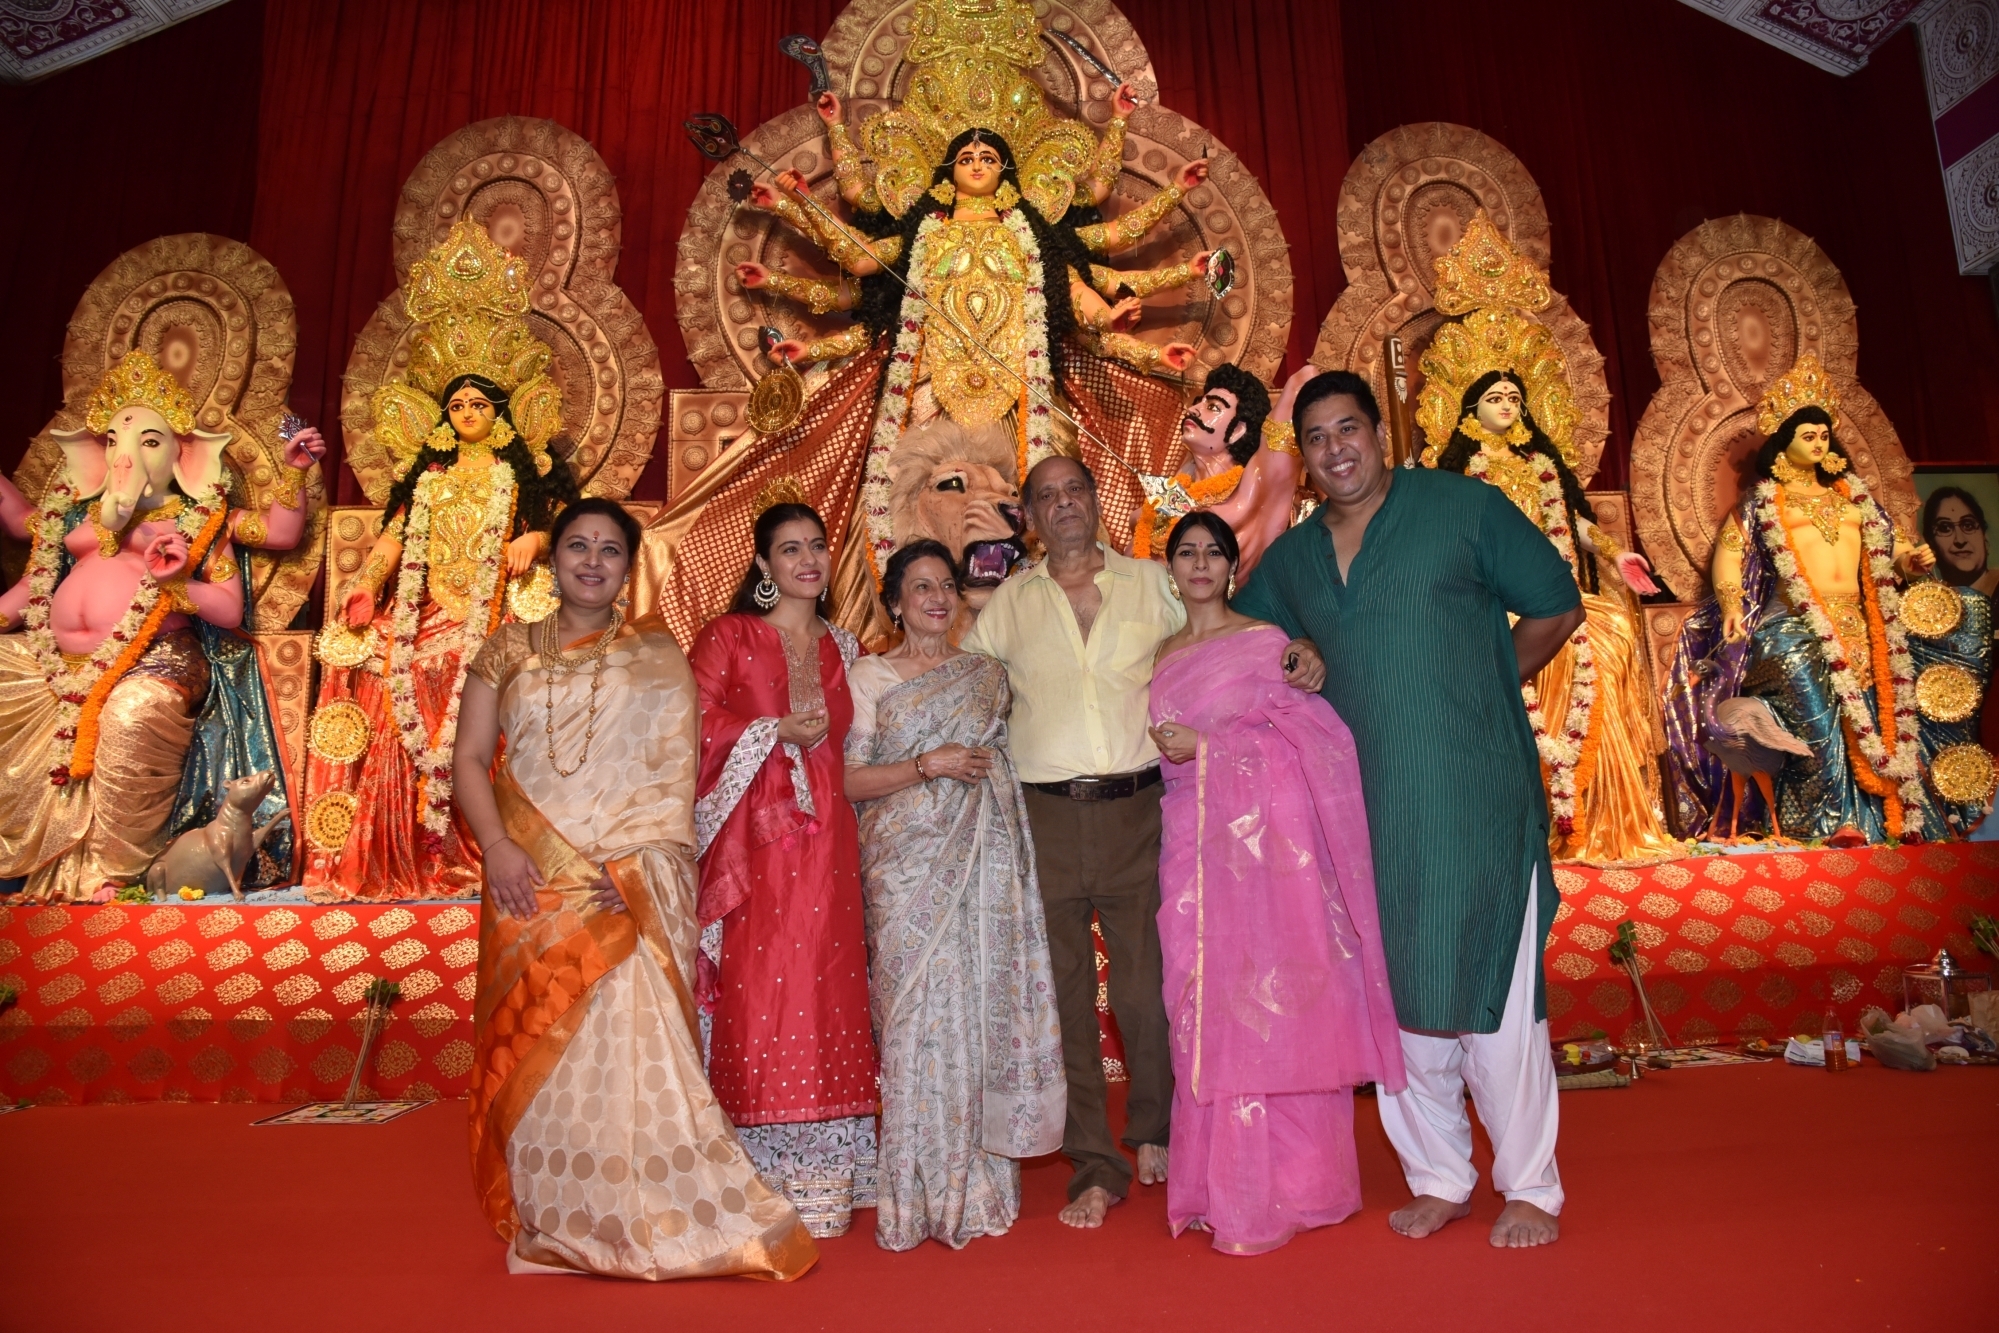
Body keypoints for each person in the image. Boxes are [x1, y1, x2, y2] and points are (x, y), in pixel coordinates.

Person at [1232, 371, 1582, 1248]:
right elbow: (1242, 642)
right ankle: (1437, 1173)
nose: (1334, 449)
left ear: (1378, 433)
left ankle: (1529, 1183)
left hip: (1470, 796)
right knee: (1392, 996)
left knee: (1491, 996)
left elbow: (1555, 604)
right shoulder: (1297, 558)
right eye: (1315, 437)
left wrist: (1486, 675)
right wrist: (1295, 657)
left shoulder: (1460, 507)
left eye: (1348, 429)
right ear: (1301, 456)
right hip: (1359, 818)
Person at [454, 498, 815, 1280]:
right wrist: (499, 847)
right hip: (531, 884)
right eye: (577, 546)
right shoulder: (504, 648)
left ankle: (652, 1212)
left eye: (609, 550)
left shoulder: (657, 654)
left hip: (626, 887)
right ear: (552, 562)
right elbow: (471, 758)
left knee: (630, 1050)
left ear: (627, 565)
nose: (591, 560)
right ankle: (555, 1217)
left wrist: (644, 871)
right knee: (543, 1054)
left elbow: (669, 777)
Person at [961, 454, 1321, 1229]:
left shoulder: (1151, 583)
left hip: (1144, 809)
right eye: (1046, 496)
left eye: (1075, 490)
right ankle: (1094, 1163)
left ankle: (1153, 1129)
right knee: (1063, 999)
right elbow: (967, 691)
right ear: (1027, 515)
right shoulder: (1008, 606)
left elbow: (1224, 632)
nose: (1063, 505)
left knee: (1149, 986)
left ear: (1097, 501)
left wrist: (1299, 651)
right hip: (1044, 817)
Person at [1146, 511, 1405, 1255]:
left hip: (1258, 850)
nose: (1199, 563)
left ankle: (1289, 1182)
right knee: (1196, 1002)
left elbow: (1309, 740)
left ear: (1231, 566)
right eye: (1186, 552)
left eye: (1212, 552)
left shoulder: (1263, 644)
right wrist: (1194, 757)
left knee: (1271, 1000)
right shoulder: (1162, 650)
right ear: (1171, 568)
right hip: (1187, 845)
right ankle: (1211, 1181)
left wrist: (1210, 748)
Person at [303, 221, 577, 900]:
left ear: (502, 411)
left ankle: (487, 848)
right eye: (455, 404)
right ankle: (412, 853)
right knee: (387, 677)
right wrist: (367, 585)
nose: (465, 413)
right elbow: (394, 539)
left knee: (475, 670)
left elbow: (555, 526)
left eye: (477, 403)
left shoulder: (519, 477)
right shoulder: (426, 476)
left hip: (493, 608)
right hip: (424, 609)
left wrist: (532, 541)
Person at [1415, 213, 1676, 863]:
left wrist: (1613, 551)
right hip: (1488, 606)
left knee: (1610, 632)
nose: (1506, 404)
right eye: (1493, 397)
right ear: (1466, 407)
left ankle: (1605, 816)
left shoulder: (1541, 467)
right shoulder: (1454, 478)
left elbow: (1575, 522)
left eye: (1513, 395)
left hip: (1557, 598)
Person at [844, 539, 1065, 1250]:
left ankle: (976, 1180)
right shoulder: (870, 677)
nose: (935, 598)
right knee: (912, 1025)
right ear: (895, 602)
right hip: (903, 869)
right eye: (919, 587)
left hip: (979, 869)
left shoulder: (985, 676)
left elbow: (1007, 767)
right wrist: (923, 764)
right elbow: (847, 781)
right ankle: (912, 1190)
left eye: (945, 585)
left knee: (973, 1014)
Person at [688, 489, 879, 1239]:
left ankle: (829, 1169)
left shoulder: (846, 648)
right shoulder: (729, 637)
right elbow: (691, 725)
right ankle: (757, 1170)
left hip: (832, 846)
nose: (807, 559)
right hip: (755, 850)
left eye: (817, 545)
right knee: (762, 989)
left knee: (830, 984)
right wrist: (768, 729)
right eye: (790, 548)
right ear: (765, 564)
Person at [1667, 356, 1937, 843]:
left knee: (1882, 707)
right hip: (1791, 624)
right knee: (1811, 686)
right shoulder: (1764, 502)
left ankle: (1885, 820)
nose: (1818, 442)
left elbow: (1888, 547)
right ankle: (1824, 821)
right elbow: (1729, 558)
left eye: (1823, 434)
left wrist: (1909, 560)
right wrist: (1730, 605)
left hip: (1860, 624)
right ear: (1783, 441)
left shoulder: (1852, 498)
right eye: (1807, 434)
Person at [1130, 364, 1318, 576]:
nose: (1192, 410)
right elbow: (1139, 532)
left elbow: (1304, 379)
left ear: (1237, 431)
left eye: (1213, 407)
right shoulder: (1181, 482)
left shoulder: (1250, 486)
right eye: (1198, 402)